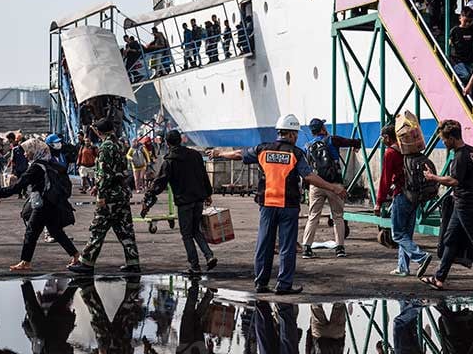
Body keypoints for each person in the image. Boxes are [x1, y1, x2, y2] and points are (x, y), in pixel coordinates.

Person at [210, 113, 348, 294]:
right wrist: (333, 187)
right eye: (296, 134)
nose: (296, 137)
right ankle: (283, 285)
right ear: (291, 134)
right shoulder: (296, 154)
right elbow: (308, 176)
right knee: (287, 247)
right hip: (288, 206)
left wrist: (220, 153)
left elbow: (239, 154)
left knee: (264, 244)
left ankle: (261, 283)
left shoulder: (263, 149)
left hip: (267, 205)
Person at [420, 120, 473, 293]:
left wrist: (433, 177)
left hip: (466, 203)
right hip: (462, 203)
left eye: (444, 139)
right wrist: (472, 177)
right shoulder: (471, 151)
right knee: (449, 239)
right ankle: (439, 278)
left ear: (451, 138)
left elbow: (453, 181)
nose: (443, 143)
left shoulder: (459, 156)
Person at [0, 137, 80, 272]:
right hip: (52, 202)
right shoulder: (49, 163)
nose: (25, 154)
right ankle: (76, 255)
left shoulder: (36, 167)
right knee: (56, 231)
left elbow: (18, 186)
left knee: (31, 232)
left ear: (35, 151)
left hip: (42, 204)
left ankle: (25, 262)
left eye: (27, 151)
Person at [68, 118, 142, 275]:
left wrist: (100, 194)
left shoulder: (105, 147)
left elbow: (103, 173)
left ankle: (86, 263)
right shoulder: (119, 144)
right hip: (121, 194)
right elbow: (117, 171)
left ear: (98, 131)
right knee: (125, 230)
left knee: (98, 229)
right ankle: (133, 262)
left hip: (109, 197)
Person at [143, 129, 218, 274]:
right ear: (181, 140)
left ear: (167, 143)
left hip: (184, 202)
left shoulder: (169, 161)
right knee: (196, 230)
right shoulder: (195, 155)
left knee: (187, 234)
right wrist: (208, 194)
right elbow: (204, 176)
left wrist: (148, 197)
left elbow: (159, 183)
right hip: (198, 200)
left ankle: (195, 266)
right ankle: (209, 255)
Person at [301, 118, 361, 259]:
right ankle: (340, 248)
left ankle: (307, 248)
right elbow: (353, 142)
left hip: (317, 184)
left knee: (313, 216)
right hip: (335, 185)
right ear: (322, 128)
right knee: (338, 216)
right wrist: (356, 144)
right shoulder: (332, 140)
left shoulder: (308, 145)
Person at [377, 124, 432, 277]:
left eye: (383, 138)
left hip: (401, 195)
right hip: (414, 196)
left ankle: (421, 256)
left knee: (398, 234)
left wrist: (379, 201)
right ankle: (403, 267)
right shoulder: (409, 150)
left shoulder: (390, 153)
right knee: (406, 234)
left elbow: (385, 180)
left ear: (387, 137)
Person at [6, 132, 29, 196]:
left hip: (24, 167)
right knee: (19, 181)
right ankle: (20, 193)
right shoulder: (15, 149)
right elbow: (12, 159)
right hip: (18, 168)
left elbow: (28, 158)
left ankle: (24, 192)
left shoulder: (25, 149)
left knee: (25, 180)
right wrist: (12, 168)